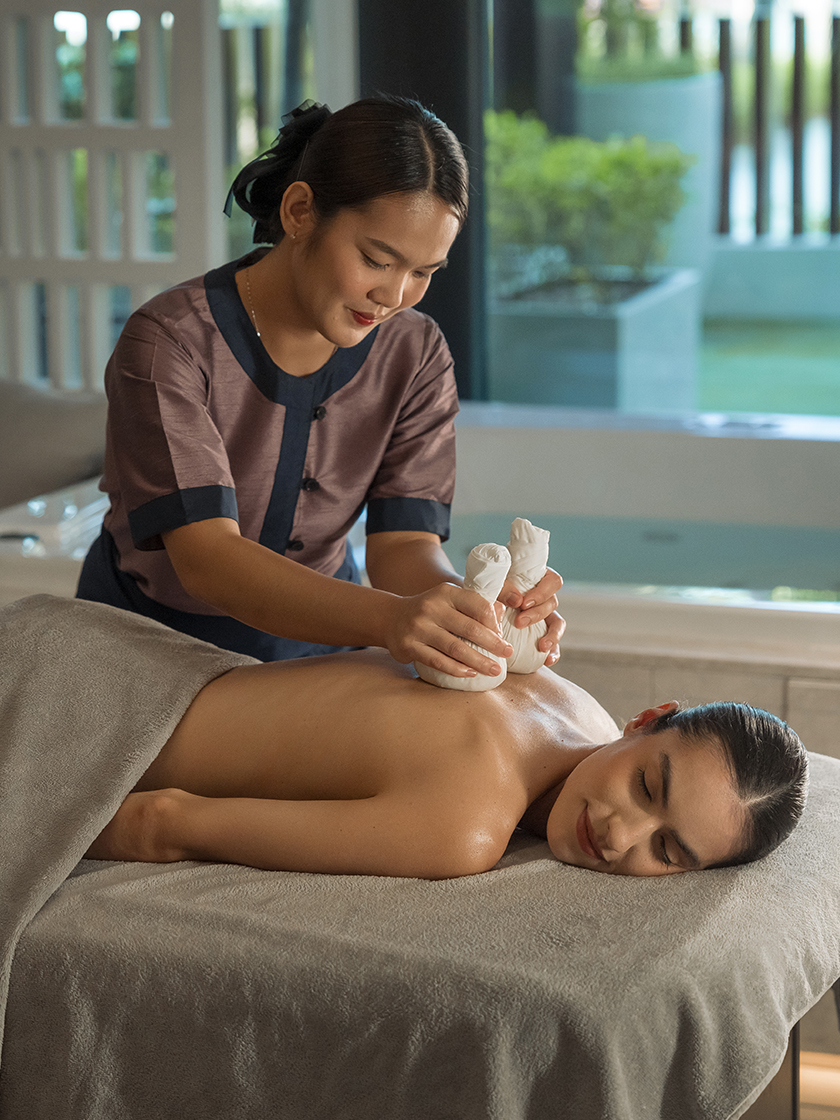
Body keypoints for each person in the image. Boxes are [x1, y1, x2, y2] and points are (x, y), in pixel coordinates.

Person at [75, 95, 564, 671]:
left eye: (423, 273)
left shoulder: (416, 352)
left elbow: (403, 548)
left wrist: (470, 605)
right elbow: (207, 559)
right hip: (148, 653)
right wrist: (390, 618)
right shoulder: (169, 343)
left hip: (331, 650)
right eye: (377, 260)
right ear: (301, 211)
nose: (394, 296)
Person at [88, 641, 808, 880]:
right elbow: (160, 823)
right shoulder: (463, 826)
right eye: (648, 785)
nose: (620, 835)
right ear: (646, 721)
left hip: (123, 653)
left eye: (668, 851)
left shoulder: (573, 704)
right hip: (82, 717)